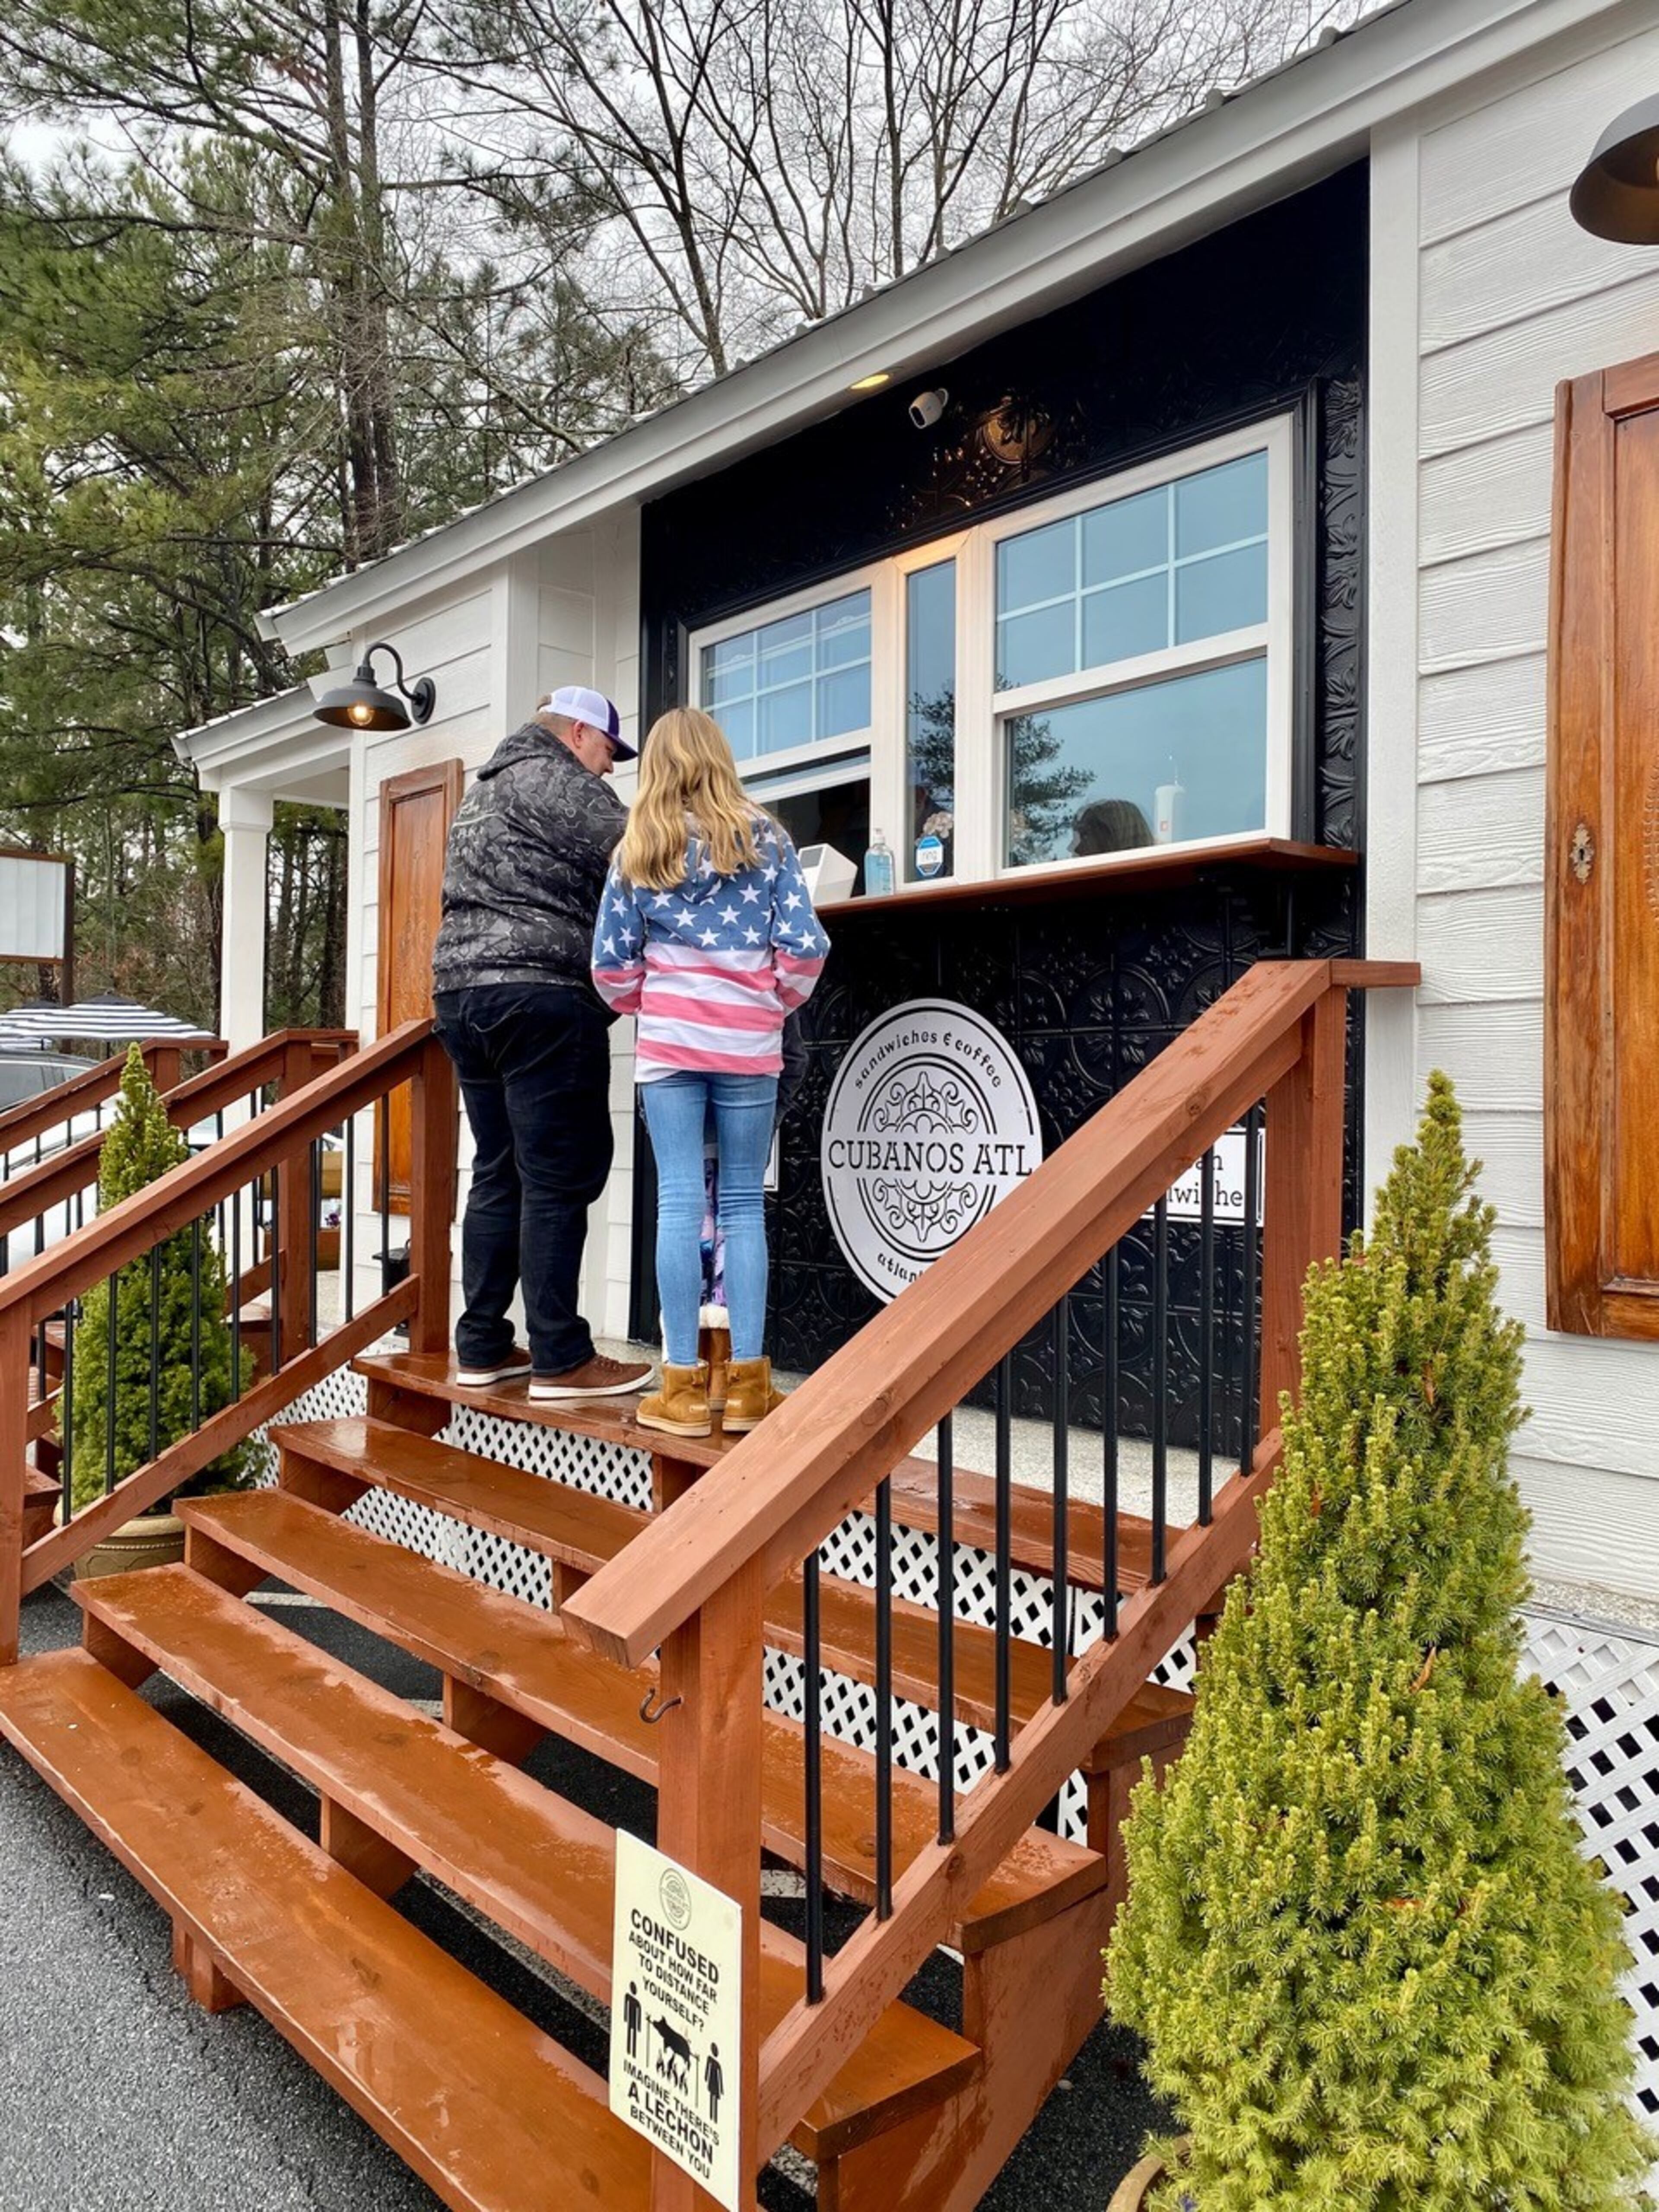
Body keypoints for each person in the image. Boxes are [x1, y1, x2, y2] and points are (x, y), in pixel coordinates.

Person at [592, 706, 829, 1439]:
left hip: (669, 1051)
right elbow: (805, 950)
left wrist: (655, 1006)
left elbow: (608, 967)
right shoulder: (768, 840)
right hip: (749, 1049)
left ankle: (686, 1390)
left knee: (676, 1205)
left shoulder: (638, 849)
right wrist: (766, 1005)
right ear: (721, 760)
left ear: (658, 766)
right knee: (742, 1209)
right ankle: (753, 1387)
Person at [431, 684, 652, 1401]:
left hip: (462, 998)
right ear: (580, 733)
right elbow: (647, 854)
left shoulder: (484, 790)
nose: (611, 770)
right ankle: (560, 1357)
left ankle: (485, 1345)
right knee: (559, 1172)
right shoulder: (557, 779)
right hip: (540, 995)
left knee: (500, 1169)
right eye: (608, 753)